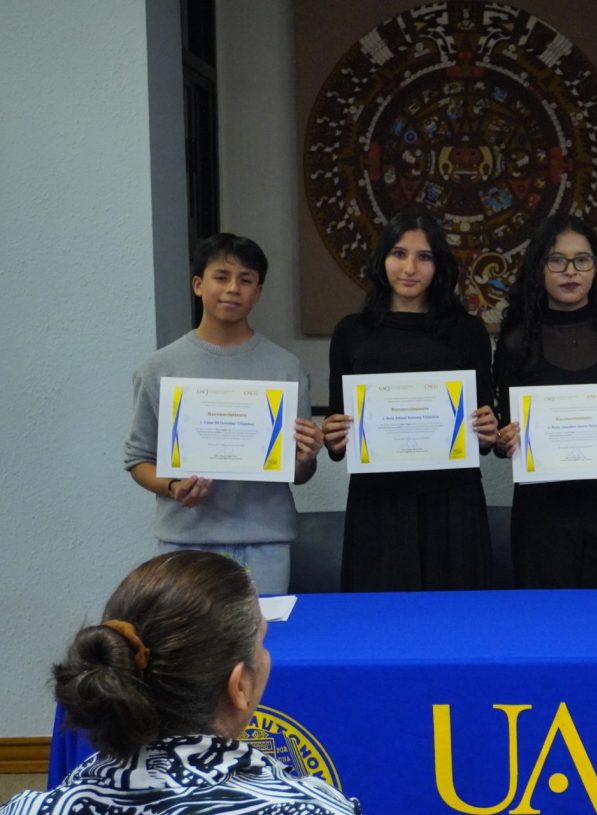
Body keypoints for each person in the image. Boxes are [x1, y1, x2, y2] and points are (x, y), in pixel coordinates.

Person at [0, 550, 359, 815]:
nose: (266, 655)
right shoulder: (314, 808)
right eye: (261, 641)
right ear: (239, 686)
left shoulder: (30, 809)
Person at [123, 234, 323, 595]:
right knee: (186, 633)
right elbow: (139, 459)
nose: (233, 289)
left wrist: (307, 458)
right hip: (185, 542)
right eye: (221, 277)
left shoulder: (286, 368)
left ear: (258, 292)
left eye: (245, 280)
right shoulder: (158, 368)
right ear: (198, 285)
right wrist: (173, 487)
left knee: (262, 633)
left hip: (266, 543)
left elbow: (297, 473)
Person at [323, 207, 498, 590]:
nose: (410, 268)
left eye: (424, 257)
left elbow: (485, 429)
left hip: (453, 503)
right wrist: (333, 436)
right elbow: (338, 431)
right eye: (399, 254)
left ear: (439, 266)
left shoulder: (467, 332)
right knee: (381, 618)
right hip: (378, 505)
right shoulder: (351, 332)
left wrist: (488, 429)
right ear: (382, 260)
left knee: (457, 616)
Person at [493, 214, 597, 587]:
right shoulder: (515, 342)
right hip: (542, 514)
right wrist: (504, 441)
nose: (570, 271)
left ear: (596, 267)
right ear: (539, 268)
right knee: (547, 618)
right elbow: (503, 436)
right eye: (557, 260)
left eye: (582, 260)